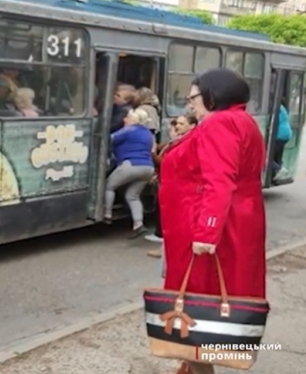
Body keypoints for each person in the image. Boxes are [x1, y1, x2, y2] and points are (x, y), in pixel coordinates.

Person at [158, 68, 266, 374]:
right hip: (233, 221)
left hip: (211, 225)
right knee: (207, 300)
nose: (190, 103)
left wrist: (206, 231)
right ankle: (192, 365)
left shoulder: (219, 123)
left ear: (212, 95)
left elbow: (219, 180)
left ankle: (197, 366)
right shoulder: (241, 120)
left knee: (195, 304)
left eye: (193, 96)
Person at [145, 114, 198, 256]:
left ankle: (165, 248)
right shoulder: (177, 141)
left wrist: (153, 155)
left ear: (192, 126)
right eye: (177, 124)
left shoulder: (188, 142)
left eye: (181, 123)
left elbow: (170, 162)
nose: (177, 126)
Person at [105, 108, 155, 238]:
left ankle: (107, 214)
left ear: (134, 120)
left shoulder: (129, 129)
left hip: (131, 164)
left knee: (109, 186)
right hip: (148, 168)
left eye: (128, 117)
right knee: (133, 196)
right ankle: (138, 224)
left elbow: (108, 139)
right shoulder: (148, 133)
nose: (124, 119)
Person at [271, 103, 292, 181]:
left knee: (267, 156)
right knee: (277, 156)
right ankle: (278, 173)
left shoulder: (275, 107)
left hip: (280, 134)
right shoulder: (281, 107)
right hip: (286, 133)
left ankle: (279, 169)